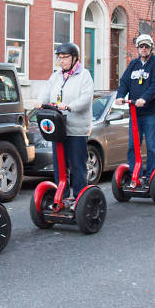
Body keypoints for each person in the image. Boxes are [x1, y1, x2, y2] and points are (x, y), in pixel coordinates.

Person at [36, 42, 94, 202]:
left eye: (65, 57)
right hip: (58, 130)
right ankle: (62, 197)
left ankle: (80, 200)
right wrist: (40, 101)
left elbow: (86, 98)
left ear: (75, 58)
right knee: (60, 166)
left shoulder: (84, 76)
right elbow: (45, 91)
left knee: (77, 166)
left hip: (77, 129)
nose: (62, 61)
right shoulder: (56, 76)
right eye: (60, 58)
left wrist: (69, 106)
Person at [114, 33, 155, 182]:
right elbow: (124, 81)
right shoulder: (133, 64)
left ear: (151, 48)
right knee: (132, 146)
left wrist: (144, 98)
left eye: (146, 46)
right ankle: (134, 175)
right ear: (137, 48)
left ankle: (150, 177)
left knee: (151, 146)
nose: (144, 49)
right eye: (141, 46)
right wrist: (120, 96)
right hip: (135, 113)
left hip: (150, 113)